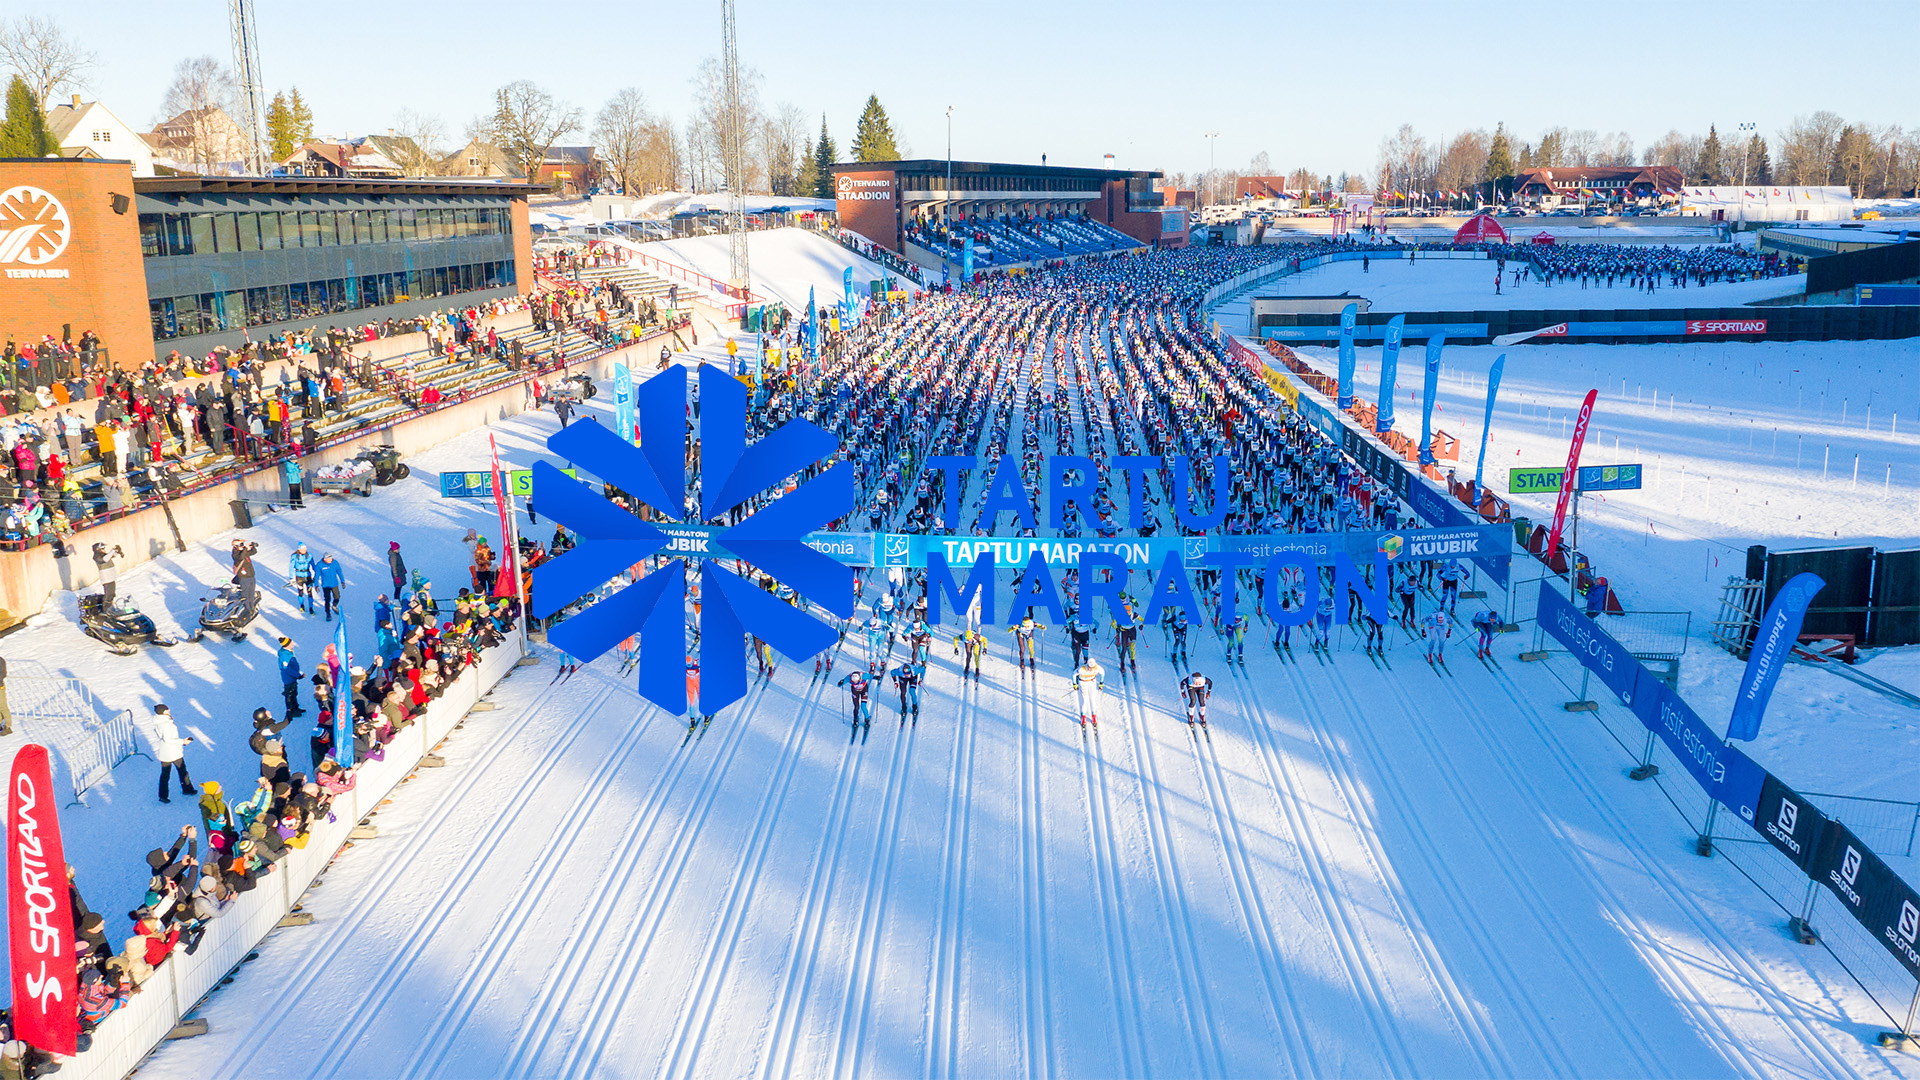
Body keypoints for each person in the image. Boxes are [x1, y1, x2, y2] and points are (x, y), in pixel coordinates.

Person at [152, 703, 195, 803]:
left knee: (165, 775)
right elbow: (168, 739)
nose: (169, 710)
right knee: (182, 771)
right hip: (173, 752)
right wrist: (182, 742)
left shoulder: (158, 721)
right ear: (163, 712)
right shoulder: (166, 724)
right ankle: (187, 789)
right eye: (167, 710)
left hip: (165, 753)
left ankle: (163, 795)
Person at [1066, 658, 1105, 727]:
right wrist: (1074, 684)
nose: (1091, 669)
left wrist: (1101, 683)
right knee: (1085, 700)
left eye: (1092, 667)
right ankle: (1083, 717)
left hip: (1092, 682)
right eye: (1090, 667)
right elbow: (1074, 674)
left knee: (1092, 699)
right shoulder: (1082, 669)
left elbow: (1103, 673)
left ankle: (1094, 716)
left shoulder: (1097, 667)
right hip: (1083, 683)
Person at [277, 637, 306, 718]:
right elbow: (287, 669)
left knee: (294, 693)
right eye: (291, 643)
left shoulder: (288, 652)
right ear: (287, 645)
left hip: (292, 677)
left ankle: (296, 708)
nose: (293, 644)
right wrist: (299, 675)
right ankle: (292, 710)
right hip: (289, 679)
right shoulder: (285, 656)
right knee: (290, 695)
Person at [316, 553, 345, 622]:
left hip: (334, 584)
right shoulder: (319, 565)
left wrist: (342, 581)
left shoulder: (335, 563)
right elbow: (317, 576)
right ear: (325, 559)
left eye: (331, 558)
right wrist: (316, 585)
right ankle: (328, 613)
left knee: (337, 596)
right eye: (329, 559)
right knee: (327, 599)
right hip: (326, 585)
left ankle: (334, 606)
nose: (330, 560)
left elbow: (339, 572)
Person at [289, 543, 316, 614]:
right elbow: (291, 567)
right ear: (299, 549)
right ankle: (302, 605)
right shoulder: (294, 556)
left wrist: (316, 574)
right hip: (299, 576)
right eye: (303, 549)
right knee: (300, 592)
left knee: (310, 592)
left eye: (305, 548)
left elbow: (313, 565)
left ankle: (311, 608)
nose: (305, 550)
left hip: (308, 576)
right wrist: (291, 578)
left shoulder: (309, 555)